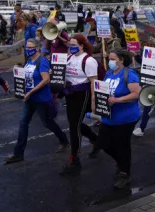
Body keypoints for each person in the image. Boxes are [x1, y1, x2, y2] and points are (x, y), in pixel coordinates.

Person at [4, 39, 68, 164]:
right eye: (26, 47)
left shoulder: (42, 61)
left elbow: (46, 80)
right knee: (23, 123)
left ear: (38, 48)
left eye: (30, 47)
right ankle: (18, 154)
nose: (28, 49)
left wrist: (31, 92)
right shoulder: (29, 60)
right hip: (29, 98)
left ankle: (64, 140)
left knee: (47, 123)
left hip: (41, 99)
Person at [98, 48, 141, 188]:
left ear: (121, 60)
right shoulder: (109, 72)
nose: (109, 61)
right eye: (109, 59)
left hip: (125, 117)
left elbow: (136, 94)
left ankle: (125, 173)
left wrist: (118, 100)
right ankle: (121, 162)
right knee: (104, 144)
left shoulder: (129, 74)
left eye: (112, 59)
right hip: (109, 116)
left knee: (122, 146)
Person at [60, 34, 100, 175]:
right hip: (70, 94)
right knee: (74, 123)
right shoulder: (69, 58)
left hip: (83, 95)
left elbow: (94, 84)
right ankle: (95, 139)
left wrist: (94, 102)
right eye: (70, 45)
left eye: (74, 45)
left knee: (74, 126)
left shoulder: (89, 61)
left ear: (82, 45)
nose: (71, 47)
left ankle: (74, 158)